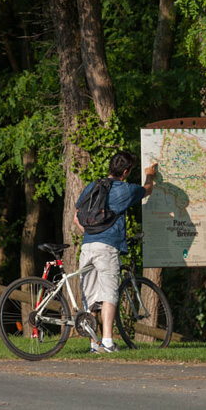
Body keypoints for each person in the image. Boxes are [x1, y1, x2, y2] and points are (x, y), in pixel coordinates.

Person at [73, 151, 157, 353]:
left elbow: (76, 217)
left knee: (90, 296)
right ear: (126, 172)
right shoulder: (125, 190)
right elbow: (147, 189)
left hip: (87, 246)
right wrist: (150, 175)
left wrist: (92, 235)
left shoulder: (94, 186)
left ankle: (94, 344)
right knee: (109, 293)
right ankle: (108, 342)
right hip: (107, 247)